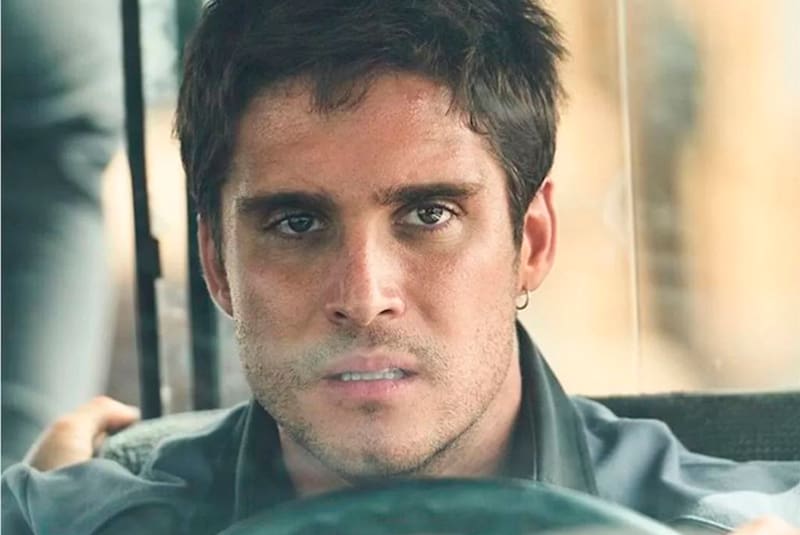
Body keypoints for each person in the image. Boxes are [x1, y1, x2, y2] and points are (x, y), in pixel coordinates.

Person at [2, 1, 798, 534]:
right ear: (215, 261)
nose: (364, 294)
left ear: (532, 242)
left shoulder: (737, 519)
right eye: (297, 223)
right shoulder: (68, 520)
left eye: (429, 215)